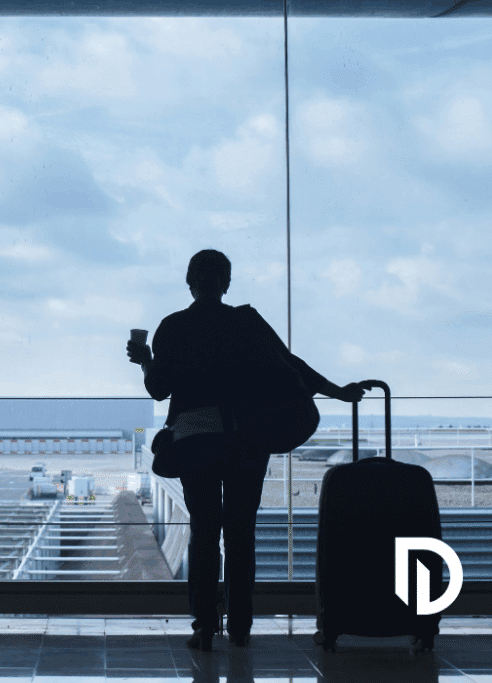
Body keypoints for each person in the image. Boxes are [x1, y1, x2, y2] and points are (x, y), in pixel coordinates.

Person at [126, 249, 364, 651]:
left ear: (189, 282)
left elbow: (159, 389)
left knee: (204, 533)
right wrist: (337, 392)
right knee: (241, 534)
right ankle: (240, 628)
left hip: (196, 436)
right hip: (245, 437)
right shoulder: (246, 322)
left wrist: (146, 361)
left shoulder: (174, 326)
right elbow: (291, 366)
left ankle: (204, 626)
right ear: (226, 283)